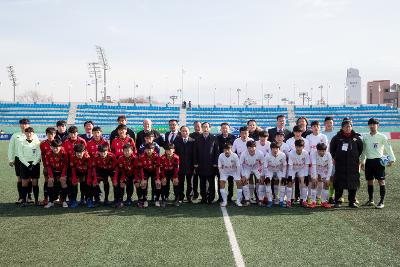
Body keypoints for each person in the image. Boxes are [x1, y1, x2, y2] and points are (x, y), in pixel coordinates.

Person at [360, 118, 396, 209]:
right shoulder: (366, 137)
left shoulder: (382, 136)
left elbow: (388, 148)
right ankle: (371, 200)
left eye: (374, 124)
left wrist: (392, 159)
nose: (372, 126)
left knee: (381, 181)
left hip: (379, 161)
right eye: (370, 124)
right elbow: (363, 150)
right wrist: (362, 161)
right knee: (369, 181)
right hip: (369, 161)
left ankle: (381, 201)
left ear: (377, 125)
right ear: (368, 126)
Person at [330, 119, 363, 208]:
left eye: (349, 126)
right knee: (339, 182)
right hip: (340, 164)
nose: (348, 128)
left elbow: (360, 149)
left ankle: (352, 201)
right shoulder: (337, 137)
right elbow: (332, 149)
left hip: (353, 164)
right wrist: (334, 157)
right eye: (346, 127)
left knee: (353, 183)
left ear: (351, 127)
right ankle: (338, 201)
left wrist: (354, 157)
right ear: (342, 128)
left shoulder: (356, 138)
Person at [8, 118, 39, 204]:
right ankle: (21, 197)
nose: (24, 125)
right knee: (20, 179)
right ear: (20, 125)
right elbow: (11, 148)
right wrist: (11, 159)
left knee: (29, 179)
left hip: (31, 160)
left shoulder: (34, 135)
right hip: (19, 159)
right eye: (22, 123)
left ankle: (29, 196)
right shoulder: (15, 135)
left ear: (29, 125)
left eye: (26, 123)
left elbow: (37, 147)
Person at [193, 122, 219, 204]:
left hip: (211, 165)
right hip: (200, 164)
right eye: (204, 127)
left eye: (207, 127)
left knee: (211, 183)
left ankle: (211, 198)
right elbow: (195, 152)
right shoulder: (198, 138)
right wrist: (195, 162)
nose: (205, 129)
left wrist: (215, 162)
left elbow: (216, 151)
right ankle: (203, 198)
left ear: (210, 128)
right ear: (201, 128)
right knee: (202, 183)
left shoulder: (214, 138)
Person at [17, 127, 41, 206]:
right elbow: (20, 155)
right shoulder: (21, 143)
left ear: (33, 133)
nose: (29, 134)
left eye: (30, 132)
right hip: (24, 164)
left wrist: (33, 164)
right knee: (24, 183)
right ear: (25, 133)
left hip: (35, 164)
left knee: (35, 183)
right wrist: (27, 165)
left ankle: (36, 200)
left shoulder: (37, 143)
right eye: (27, 132)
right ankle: (24, 201)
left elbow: (39, 155)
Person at [44, 140, 68, 208]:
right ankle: (51, 201)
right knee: (49, 181)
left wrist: (63, 175)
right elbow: (48, 166)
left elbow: (65, 165)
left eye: (57, 147)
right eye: (53, 147)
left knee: (63, 181)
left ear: (60, 147)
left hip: (62, 171)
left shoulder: (64, 153)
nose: (55, 149)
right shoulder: (48, 153)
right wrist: (51, 176)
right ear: (51, 147)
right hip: (53, 171)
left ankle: (63, 201)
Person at [239, 140, 264, 206]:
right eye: (249, 148)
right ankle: (247, 199)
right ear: (247, 148)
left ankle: (260, 199)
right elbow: (240, 165)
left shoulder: (260, 153)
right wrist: (243, 175)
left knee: (261, 181)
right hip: (247, 168)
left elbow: (262, 165)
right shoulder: (243, 154)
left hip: (257, 168)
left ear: (255, 147)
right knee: (244, 181)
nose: (251, 149)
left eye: (253, 147)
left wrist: (261, 175)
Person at [262, 142, 287, 208]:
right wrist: (267, 176)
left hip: (279, 170)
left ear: (279, 148)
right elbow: (265, 167)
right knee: (267, 183)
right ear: (271, 149)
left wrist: (283, 176)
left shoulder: (283, 155)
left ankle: (281, 201)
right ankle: (270, 201)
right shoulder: (267, 156)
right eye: (273, 148)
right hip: (270, 170)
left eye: (277, 148)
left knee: (283, 182)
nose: (275, 150)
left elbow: (284, 166)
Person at [174, 126, 195, 203]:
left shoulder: (193, 141)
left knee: (190, 183)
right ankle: (181, 197)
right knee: (181, 182)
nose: (185, 132)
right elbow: (175, 154)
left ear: (189, 132)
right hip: (180, 166)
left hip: (190, 166)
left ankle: (189, 197)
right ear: (180, 132)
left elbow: (195, 154)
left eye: (186, 131)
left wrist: (195, 164)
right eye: (183, 131)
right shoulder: (176, 141)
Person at [114, 143, 138, 208]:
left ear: (132, 151)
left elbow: (136, 170)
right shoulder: (120, 158)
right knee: (121, 183)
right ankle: (120, 199)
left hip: (133, 174)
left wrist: (135, 179)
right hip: (124, 174)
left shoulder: (135, 158)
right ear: (123, 151)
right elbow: (120, 170)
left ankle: (129, 198)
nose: (127, 152)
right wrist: (121, 179)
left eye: (128, 150)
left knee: (132, 184)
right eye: (125, 151)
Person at [216, 122, 236, 202]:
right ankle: (220, 197)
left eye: (226, 128)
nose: (224, 129)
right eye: (223, 128)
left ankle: (230, 197)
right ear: (221, 129)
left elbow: (235, 151)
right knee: (220, 180)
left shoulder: (233, 138)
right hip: (221, 163)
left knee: (231, 180)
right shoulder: (217, 138)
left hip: (231, 163)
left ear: (229, 129)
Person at [288, 139, 310, 207]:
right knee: (290, 182)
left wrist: (306, 176)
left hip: (302, 169)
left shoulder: (306, 153)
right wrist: (290, 176)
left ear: (303, 147)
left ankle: (303, 200)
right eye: (297, 146)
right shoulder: (291, 153)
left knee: (304, 182)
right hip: (293, 169)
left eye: (300, 146)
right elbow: (290, 167)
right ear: (295, 146)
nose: (298, 148)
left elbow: (306, 165)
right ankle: (289, 200)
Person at [310, 143, 333, 208]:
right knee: (314, 184)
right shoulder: (313, 154)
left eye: (323, 151)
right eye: (320, 151)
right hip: (316, 169)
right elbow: (313, 166)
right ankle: (313, 202)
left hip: (324, 170)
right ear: (317, 150)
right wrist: (314, 177)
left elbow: (330, 167)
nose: (321, 152)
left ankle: (324, 202)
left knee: (326, 184)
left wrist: (328, 178)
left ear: (325, 150)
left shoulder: (328, 155)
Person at [138, 143, 161, 207]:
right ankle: (145, 200)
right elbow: (141, 168)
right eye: (147, 149)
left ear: (153, 149)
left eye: (150, 149)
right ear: (145, 150)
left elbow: (157, 168)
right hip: (145, 171)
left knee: (157, 184)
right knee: (143, 184)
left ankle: (156, 200)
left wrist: (158, 179)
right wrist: (142, 179)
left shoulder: (157, 156)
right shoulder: (141, 156)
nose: (149, 151)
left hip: (154, 171)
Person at [218, 143, 241, 207]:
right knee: (221, 183)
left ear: (231, 149)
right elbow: (219, 166)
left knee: (239, 183)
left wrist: (238, 176)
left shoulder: (235, 155)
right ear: (223, 150)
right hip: (224, 172)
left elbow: (238, 166)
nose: (227, 151)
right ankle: (225, 201)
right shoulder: (221, 155)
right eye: (225, 150)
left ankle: (238, 201)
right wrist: (221, 175)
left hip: (234, 171)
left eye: (228, 149)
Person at [69, 144, 91, 208]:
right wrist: (74, 177)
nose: (79, 154)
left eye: (80, 152)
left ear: (84, 151)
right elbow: (73, 168)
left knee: (86, 184)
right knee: (73, 184)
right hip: (77, 171)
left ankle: (87, 199)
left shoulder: (87, 157)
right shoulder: (72, 157)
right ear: (74, 152)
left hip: (86, 172)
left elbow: (89, 169)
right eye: (77, 153)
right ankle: (74, 200)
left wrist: (89, 178)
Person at [40, 127, 56, 205]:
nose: (50, 136)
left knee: (56, 181)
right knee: (47, 181)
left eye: (52, 134)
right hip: (47, 166)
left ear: (55, 134)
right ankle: (46, 198)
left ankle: (56, 198)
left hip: (56, 166)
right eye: (49, 134)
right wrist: (45, 166)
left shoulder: (58, 142)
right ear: (46, 134)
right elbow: (42, 156)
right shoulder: (43, 144)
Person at [189, 120, 202, 199]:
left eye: (198, 126)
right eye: (195, 126)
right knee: (194, 178)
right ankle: (195, 193)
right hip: (193, 160)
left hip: (203, 161)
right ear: (193, 127)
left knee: (204, 179)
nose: (197, 128)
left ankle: (205, 193)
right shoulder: (191, 135)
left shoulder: (204, 135)